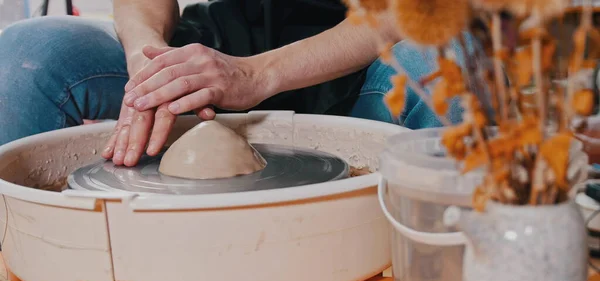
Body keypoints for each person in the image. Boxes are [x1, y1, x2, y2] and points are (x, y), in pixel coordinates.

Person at [0, 0, 468, 167]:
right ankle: (26, 265)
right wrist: (150, 63)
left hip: (357, 68)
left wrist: (255, 75)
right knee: (29, 53)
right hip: (219, 45)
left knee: (450, 54)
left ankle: (451, 278)